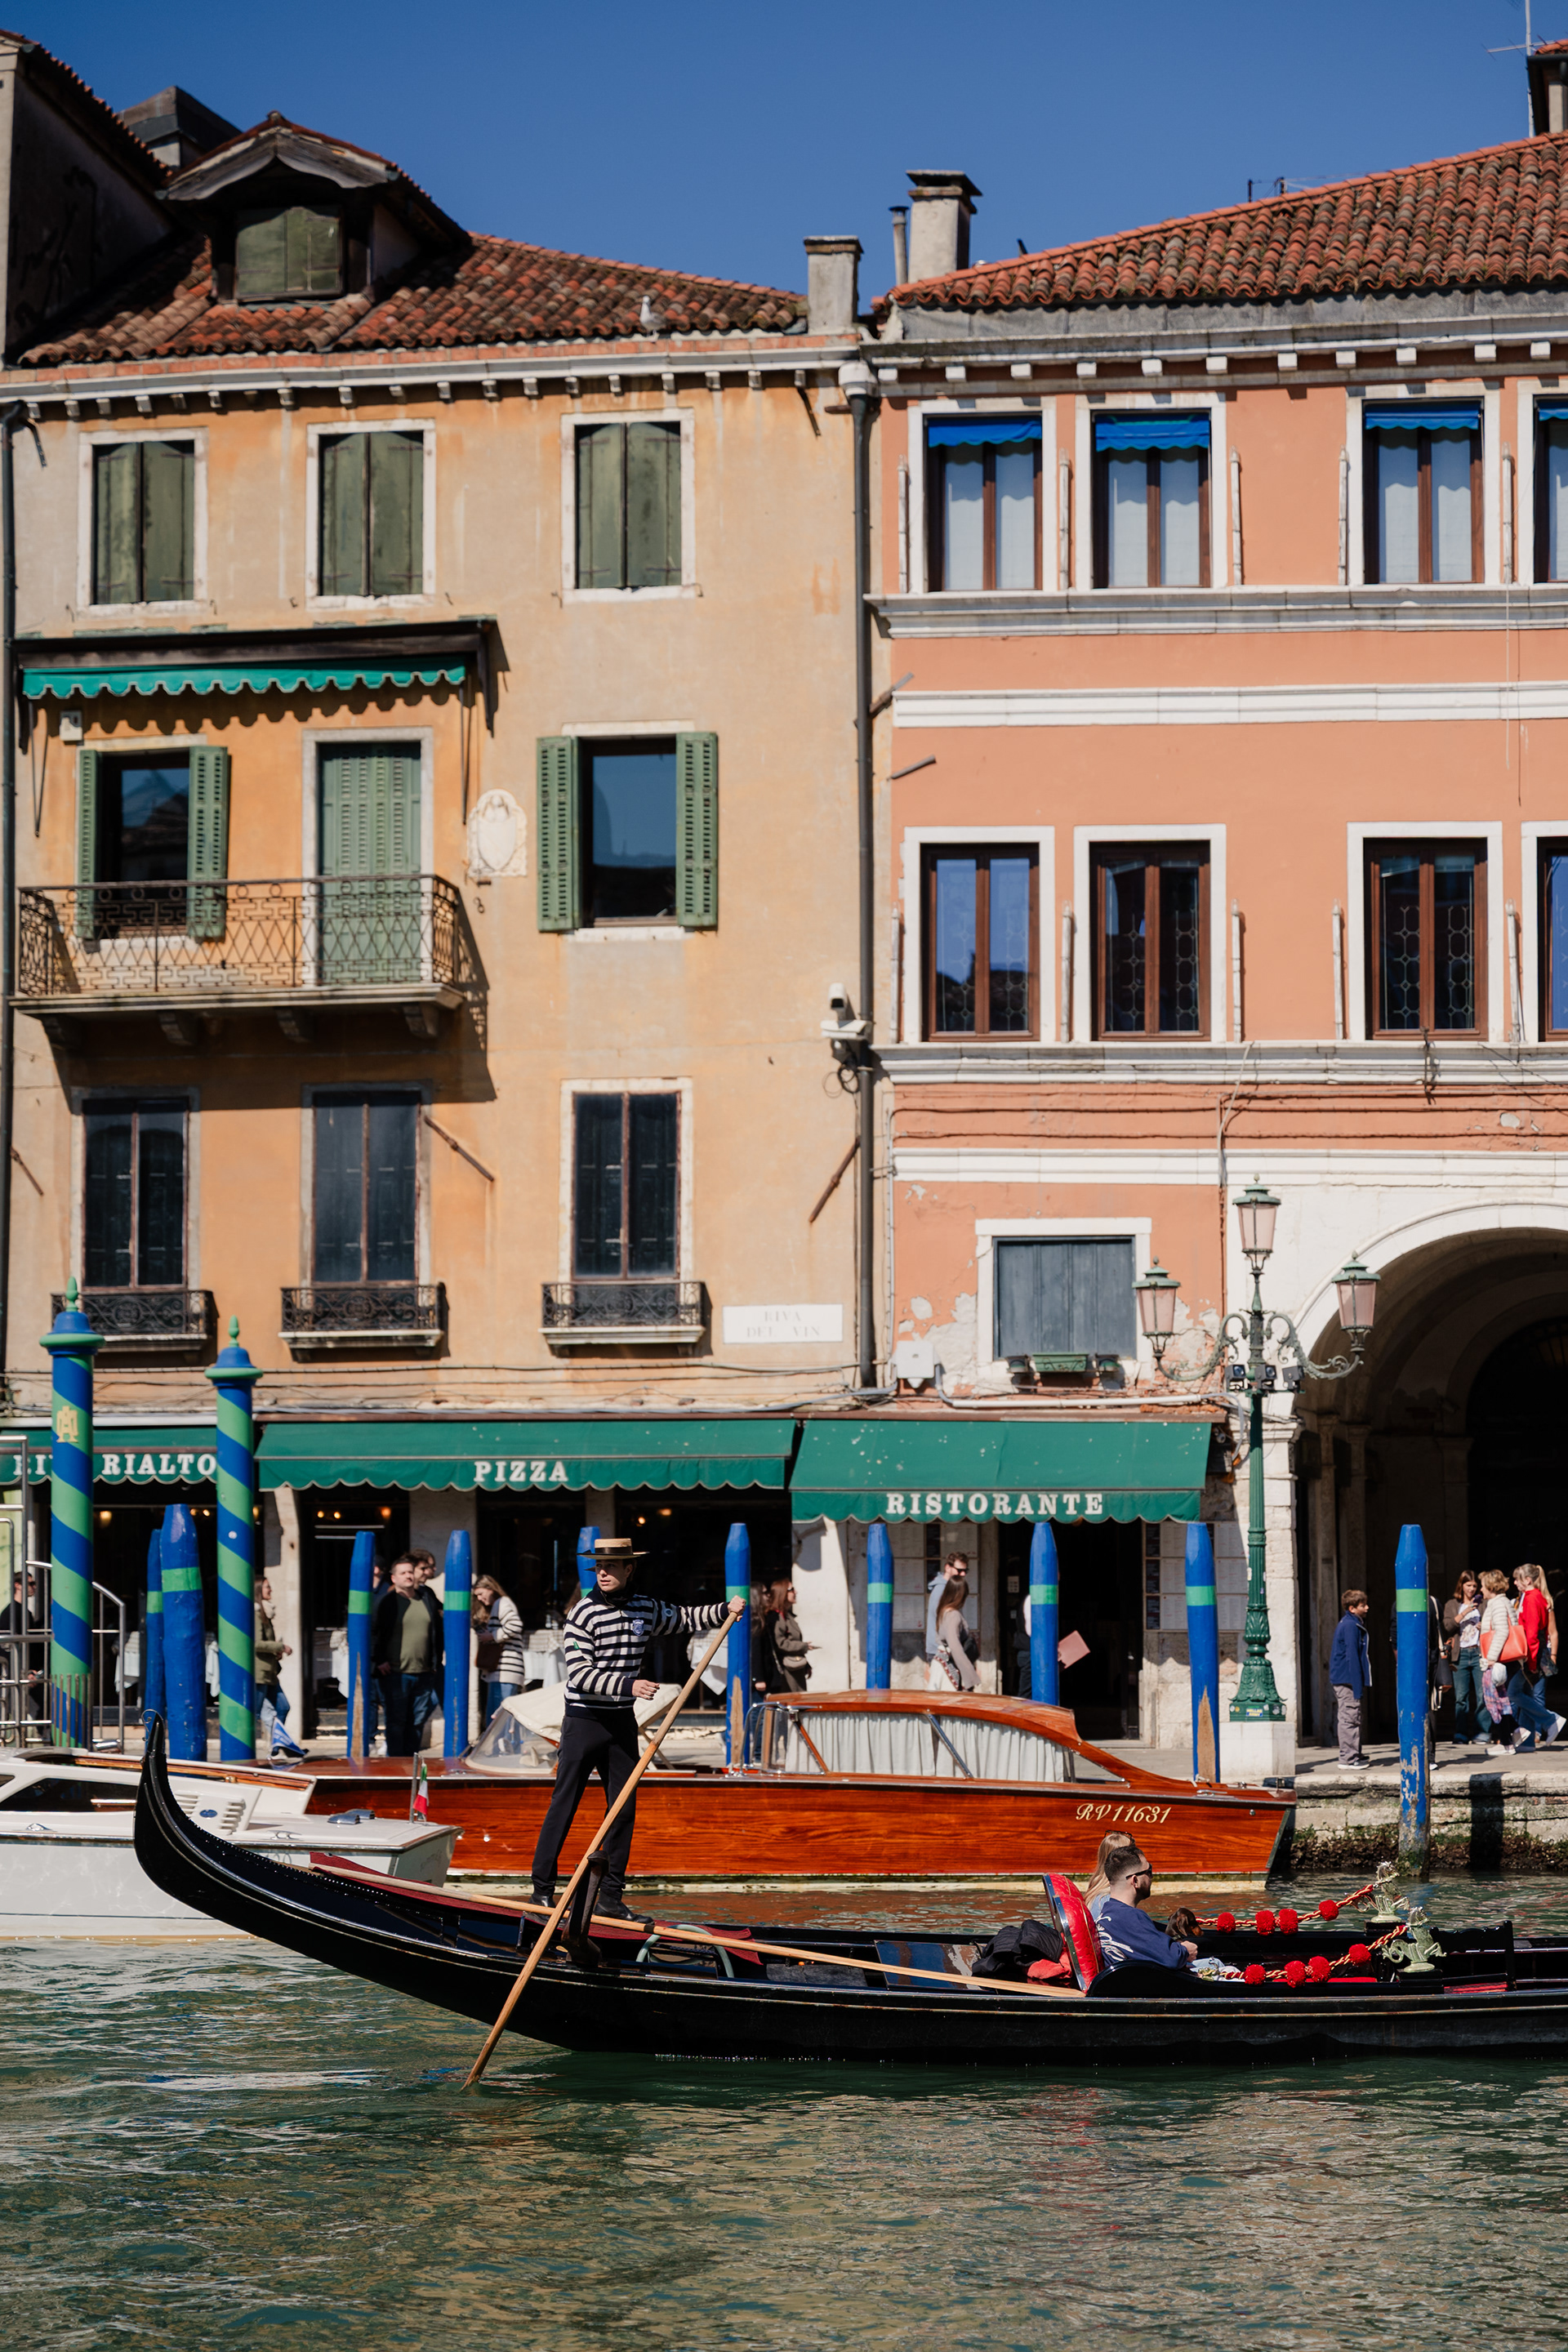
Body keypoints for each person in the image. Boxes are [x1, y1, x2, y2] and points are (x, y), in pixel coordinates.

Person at [529, 1535, 738, 1920]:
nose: (603, 1573)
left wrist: (725, 1608)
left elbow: (684, 1617)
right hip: (583, 1720)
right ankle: (542, 1891)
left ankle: (610, 1895)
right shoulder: (583, 1613)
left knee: (623, 1809)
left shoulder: (645, 1607)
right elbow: (580, 1675)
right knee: (565, 1805)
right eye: (599, 1567)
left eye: (611, 1567)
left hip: (621, 1721)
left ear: (629, 1569)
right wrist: (630, 1685)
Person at [373, 1555, 444, 1757]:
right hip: (396, 1673)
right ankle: (396, 1767)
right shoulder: (386, 1602)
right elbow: (374, 1633)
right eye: (403, 1573)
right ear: (394, 1578)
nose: (408, 1576)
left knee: (417, 1722)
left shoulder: (427, 1597)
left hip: (424, 1672)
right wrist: (379, 1661)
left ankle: (410, 1765)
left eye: (411, 1572)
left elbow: (438, 1629)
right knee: (396, 1723)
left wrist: (436, 1661)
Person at [1094, 1846, 1196, 1973]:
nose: (1151, 1878)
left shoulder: (1109, 1913)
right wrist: (1186, 1951)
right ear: (1135, 1880)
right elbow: (1173, 1958)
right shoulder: (1129, 1917)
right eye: (1149, 1872)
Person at [1507, 1564, 1566, 1752]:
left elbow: (1531, 1634)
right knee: (1526, 1694)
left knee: (1514, 1693)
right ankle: (1527, 1742)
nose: (1514, 1583)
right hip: (1533, 1653)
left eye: (1517, 1579)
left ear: (1528, 1580)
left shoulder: (1532, 1599)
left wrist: (1531, 1663)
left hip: (1531, 1654)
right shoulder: (1536, 1597)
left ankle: (1551, 1719)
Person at [254, 1577, 305, 1759]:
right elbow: (256, 1643)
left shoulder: (266, 1613)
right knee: (254, 1713)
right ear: (259, 1590)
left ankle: (278, 1746)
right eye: (268, 1587)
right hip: (259, 1673)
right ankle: (264, 1750)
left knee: (283, 1706)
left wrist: (276, 1651)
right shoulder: (256, 1613)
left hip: (270, 1672)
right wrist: (279, 1647)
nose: (271, 1590)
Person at [474, 1572, 526, 1731]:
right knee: (500, 1714)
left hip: (506, 1669)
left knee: (500, 1715)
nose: (480, 1599)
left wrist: (492, 1636)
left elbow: (516, 1625)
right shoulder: (500, 1604)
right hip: (502, 1670)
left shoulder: (502, 1603)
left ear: (490, 1589)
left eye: (481, 1594)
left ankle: (505, 1749)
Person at [1328, 1588, 1373, 1768]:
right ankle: (1348, 1758)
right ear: (1352, 1608)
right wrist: (1357, 1684)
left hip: (1346, 1679)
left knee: (1354, 1715)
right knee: (1349, 1717)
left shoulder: (1353, 1623)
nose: (1367, 1608)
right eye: (1363, 1605)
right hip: (1346, 1679)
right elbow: (1352, 1655)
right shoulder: (1350, 1626)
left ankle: (1354, 1753)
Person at [1477, 1569, 1520, 1753]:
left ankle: (1509, 1739)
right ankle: (1511, 1737)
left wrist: (1491, 1658)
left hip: (1499, 1659)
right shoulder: (1499, 1602)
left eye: (1483, 1585)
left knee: (1496, 1700)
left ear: (1490, 1586)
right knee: (1500, 1700)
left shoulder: (1497, 1604)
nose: (1481, 1589)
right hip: (1502, 1659)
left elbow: (1502, 1631)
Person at [1444, 1573, 1487, 1747]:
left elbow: (1492, 1625)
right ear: (1461, 1586)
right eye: (1468, 1585)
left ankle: (1482, 1732)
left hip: (1478, 1653)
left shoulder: (1483, 1605)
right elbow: (1447, 1626)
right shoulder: (1453, 1605)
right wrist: (1466, 1612)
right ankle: (1461, 1733)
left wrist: (1483, 1626)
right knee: (1461, 1697)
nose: (1471, 1589)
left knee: (1482, 1695)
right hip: (1460, 1654)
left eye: (1474, 1586)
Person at [926, 1552, 979, 1693]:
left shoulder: (945, 1592)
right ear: (948, 1567)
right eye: (959, 1570)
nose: (962, 1574)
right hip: (946, 1655)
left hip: (943, 1653)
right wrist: (969, 1675)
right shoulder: (942, 1593)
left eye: (965, 1571)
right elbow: (951, 1638)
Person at [760, 1578, 813, 1695]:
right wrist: (803, 1646)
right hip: (786, 1670)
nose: (796, 1592)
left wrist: (806, 1665)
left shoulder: (787, 1615)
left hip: (795, 1667)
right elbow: (780, 1643)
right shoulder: (775, 1617)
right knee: (789, 1704)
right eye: (791, 1589)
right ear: (782, 1593)